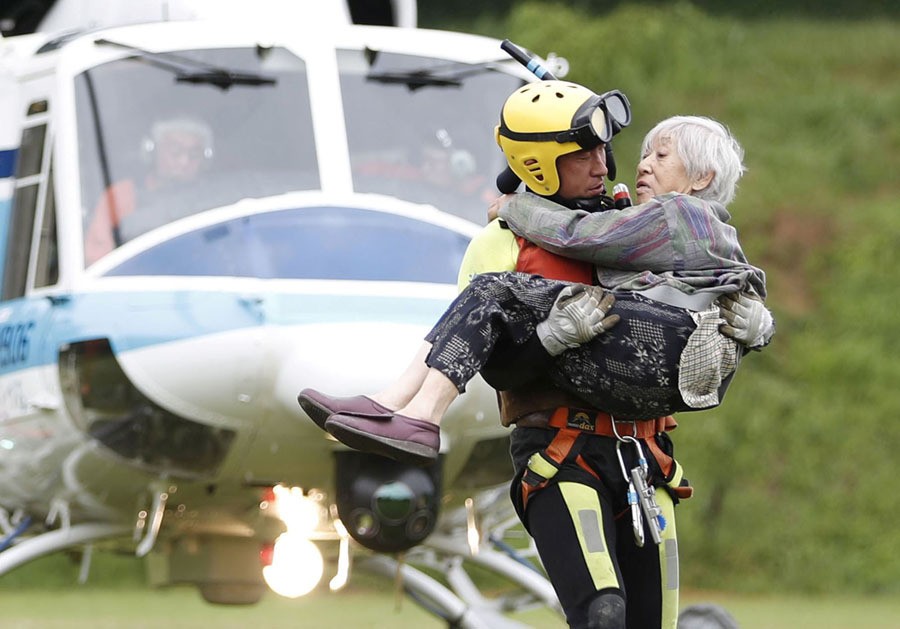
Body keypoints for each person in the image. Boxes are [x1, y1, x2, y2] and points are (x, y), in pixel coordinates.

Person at [300, 81, 773, 628]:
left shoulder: (633, 221)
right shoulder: (507, 241)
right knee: (604, 613)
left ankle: (406, 410)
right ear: (546, 163)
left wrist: (754, 321)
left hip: (644, 450)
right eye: (586, 153)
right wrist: (551, 337)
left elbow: (585, 238)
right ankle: (404, 411)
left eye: (618, 151)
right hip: (562, 445)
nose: (611, 165)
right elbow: (495, 366)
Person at [84, 116, 214, 264]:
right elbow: (96, 258)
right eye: (175, 151)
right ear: (152, 151)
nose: (184, 161)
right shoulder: (122, 195)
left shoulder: (211, 199)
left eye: (194, 155)